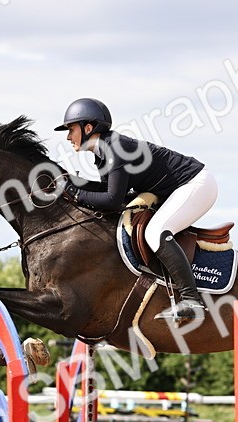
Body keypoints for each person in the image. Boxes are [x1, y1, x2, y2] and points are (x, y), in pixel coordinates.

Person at [54, 98, 216, 321]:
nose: (68, 136)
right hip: (178, 188)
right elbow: (107, 191)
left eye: (71, 129)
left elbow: (112, 200)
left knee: (155, 232)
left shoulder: (115, 148)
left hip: (196, 184)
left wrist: (74, 192)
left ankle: (191, 300)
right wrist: (71, 182)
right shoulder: (103, 152)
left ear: (88, 128)